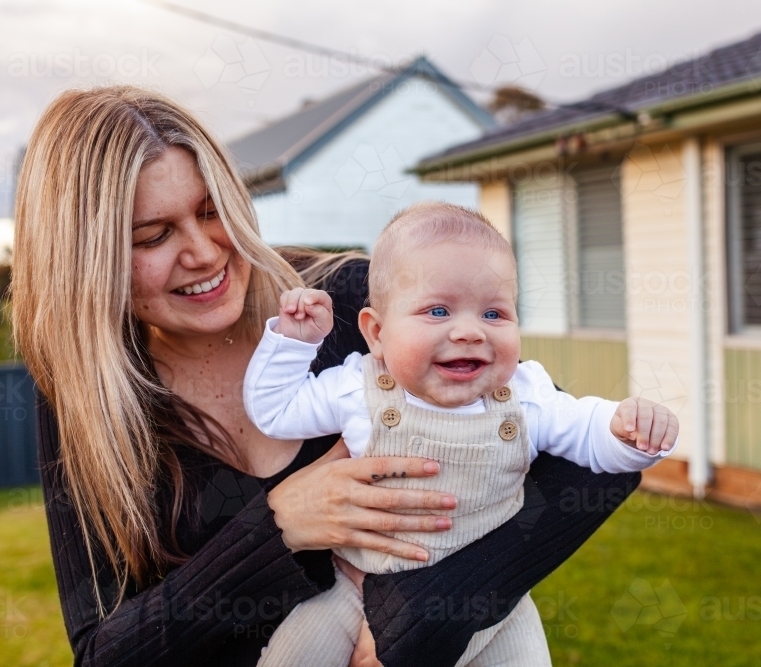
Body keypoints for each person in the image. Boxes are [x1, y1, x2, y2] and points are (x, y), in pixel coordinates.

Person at [12, 86, 651, 667]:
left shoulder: (344, 301)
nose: (204, 252)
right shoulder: (85, 398)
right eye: (152, 236)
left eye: (213, 211)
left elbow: (595, 458)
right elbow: (103, 652)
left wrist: (428, 613)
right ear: (87, 262)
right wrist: (277, 528)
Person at [246, 203, 679, 667]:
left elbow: (589, 437)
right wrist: (293, 344)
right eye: (438, 310)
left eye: (494, 314)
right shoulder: (357, 386)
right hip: (352, 586)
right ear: (375, 333)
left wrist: (627, 433)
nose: (470, 331)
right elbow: (276, 412)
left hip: (491, 606)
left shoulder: (524, 396)